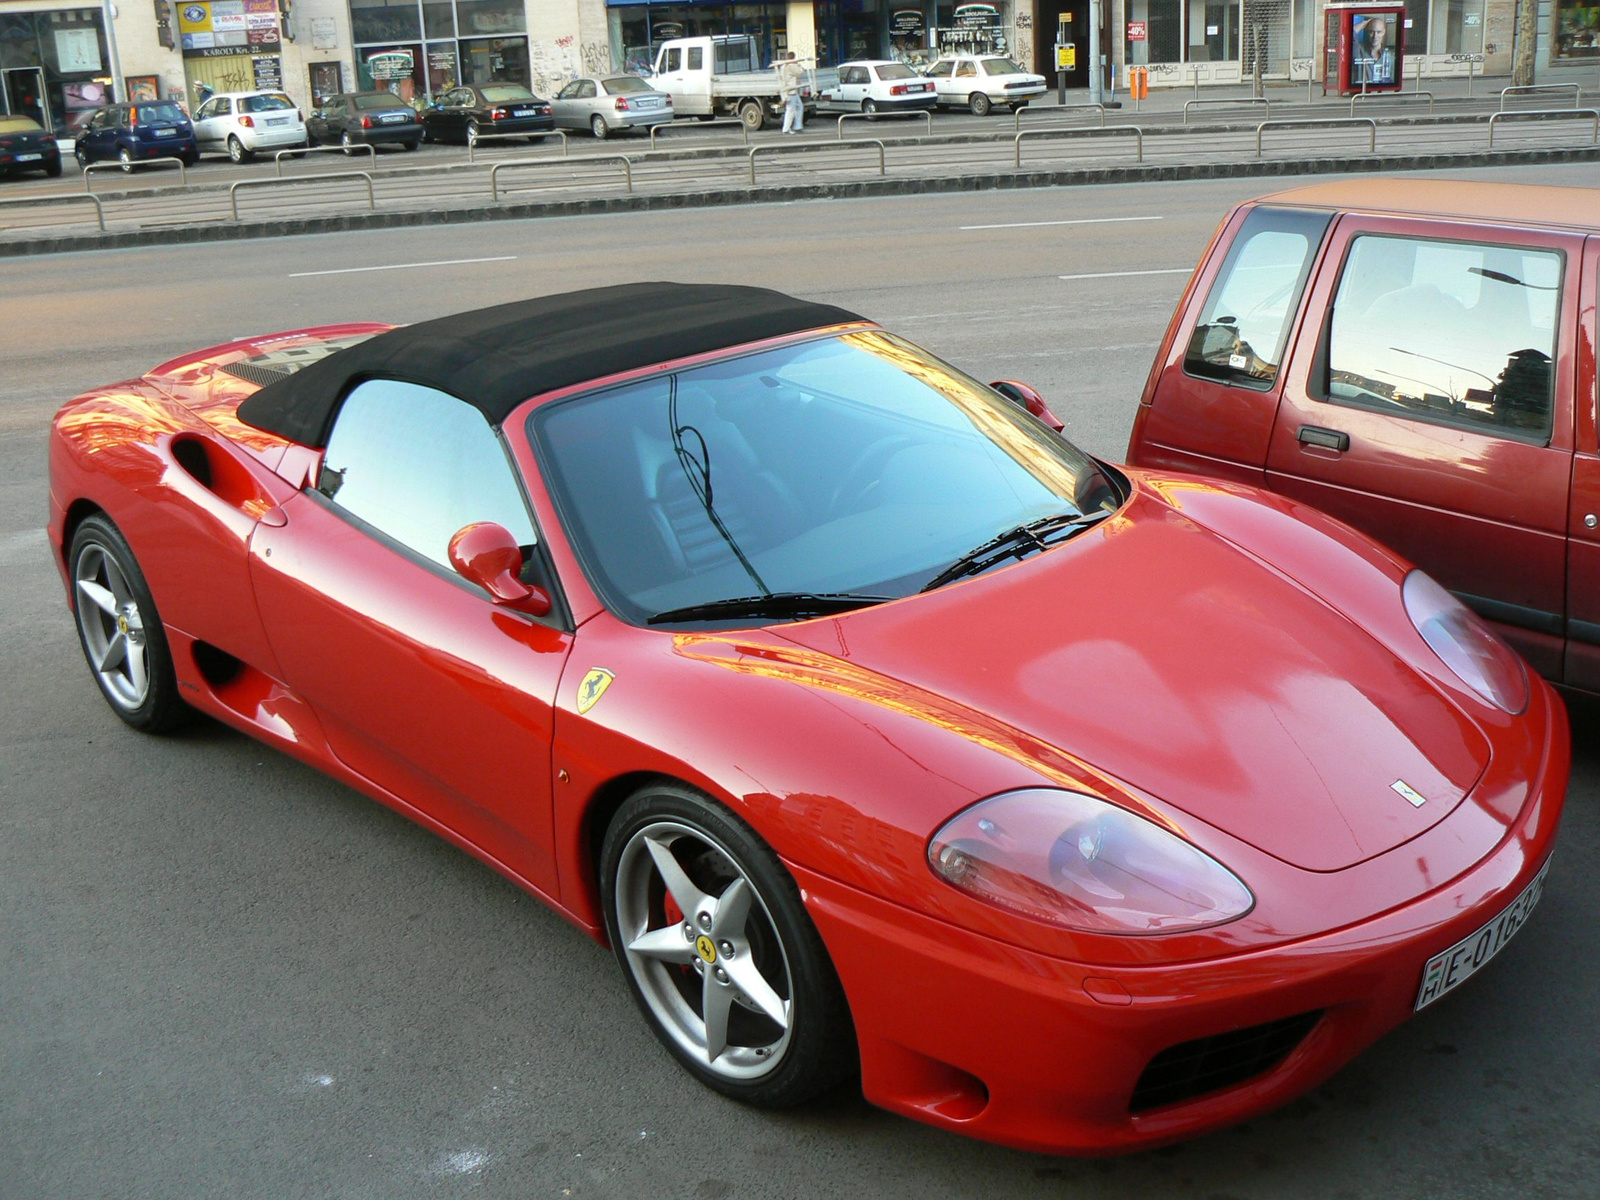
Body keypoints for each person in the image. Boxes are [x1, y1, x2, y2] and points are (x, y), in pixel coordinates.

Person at [777, 50, 807, 134]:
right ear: (794, 58)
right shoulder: (791, 66)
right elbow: (800, 72)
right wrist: (799, 65)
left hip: (790, 90)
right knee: (791, 110)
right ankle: (786, 129)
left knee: (799, 107)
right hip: (791, 90)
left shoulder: (784, 66)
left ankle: (797, 126)